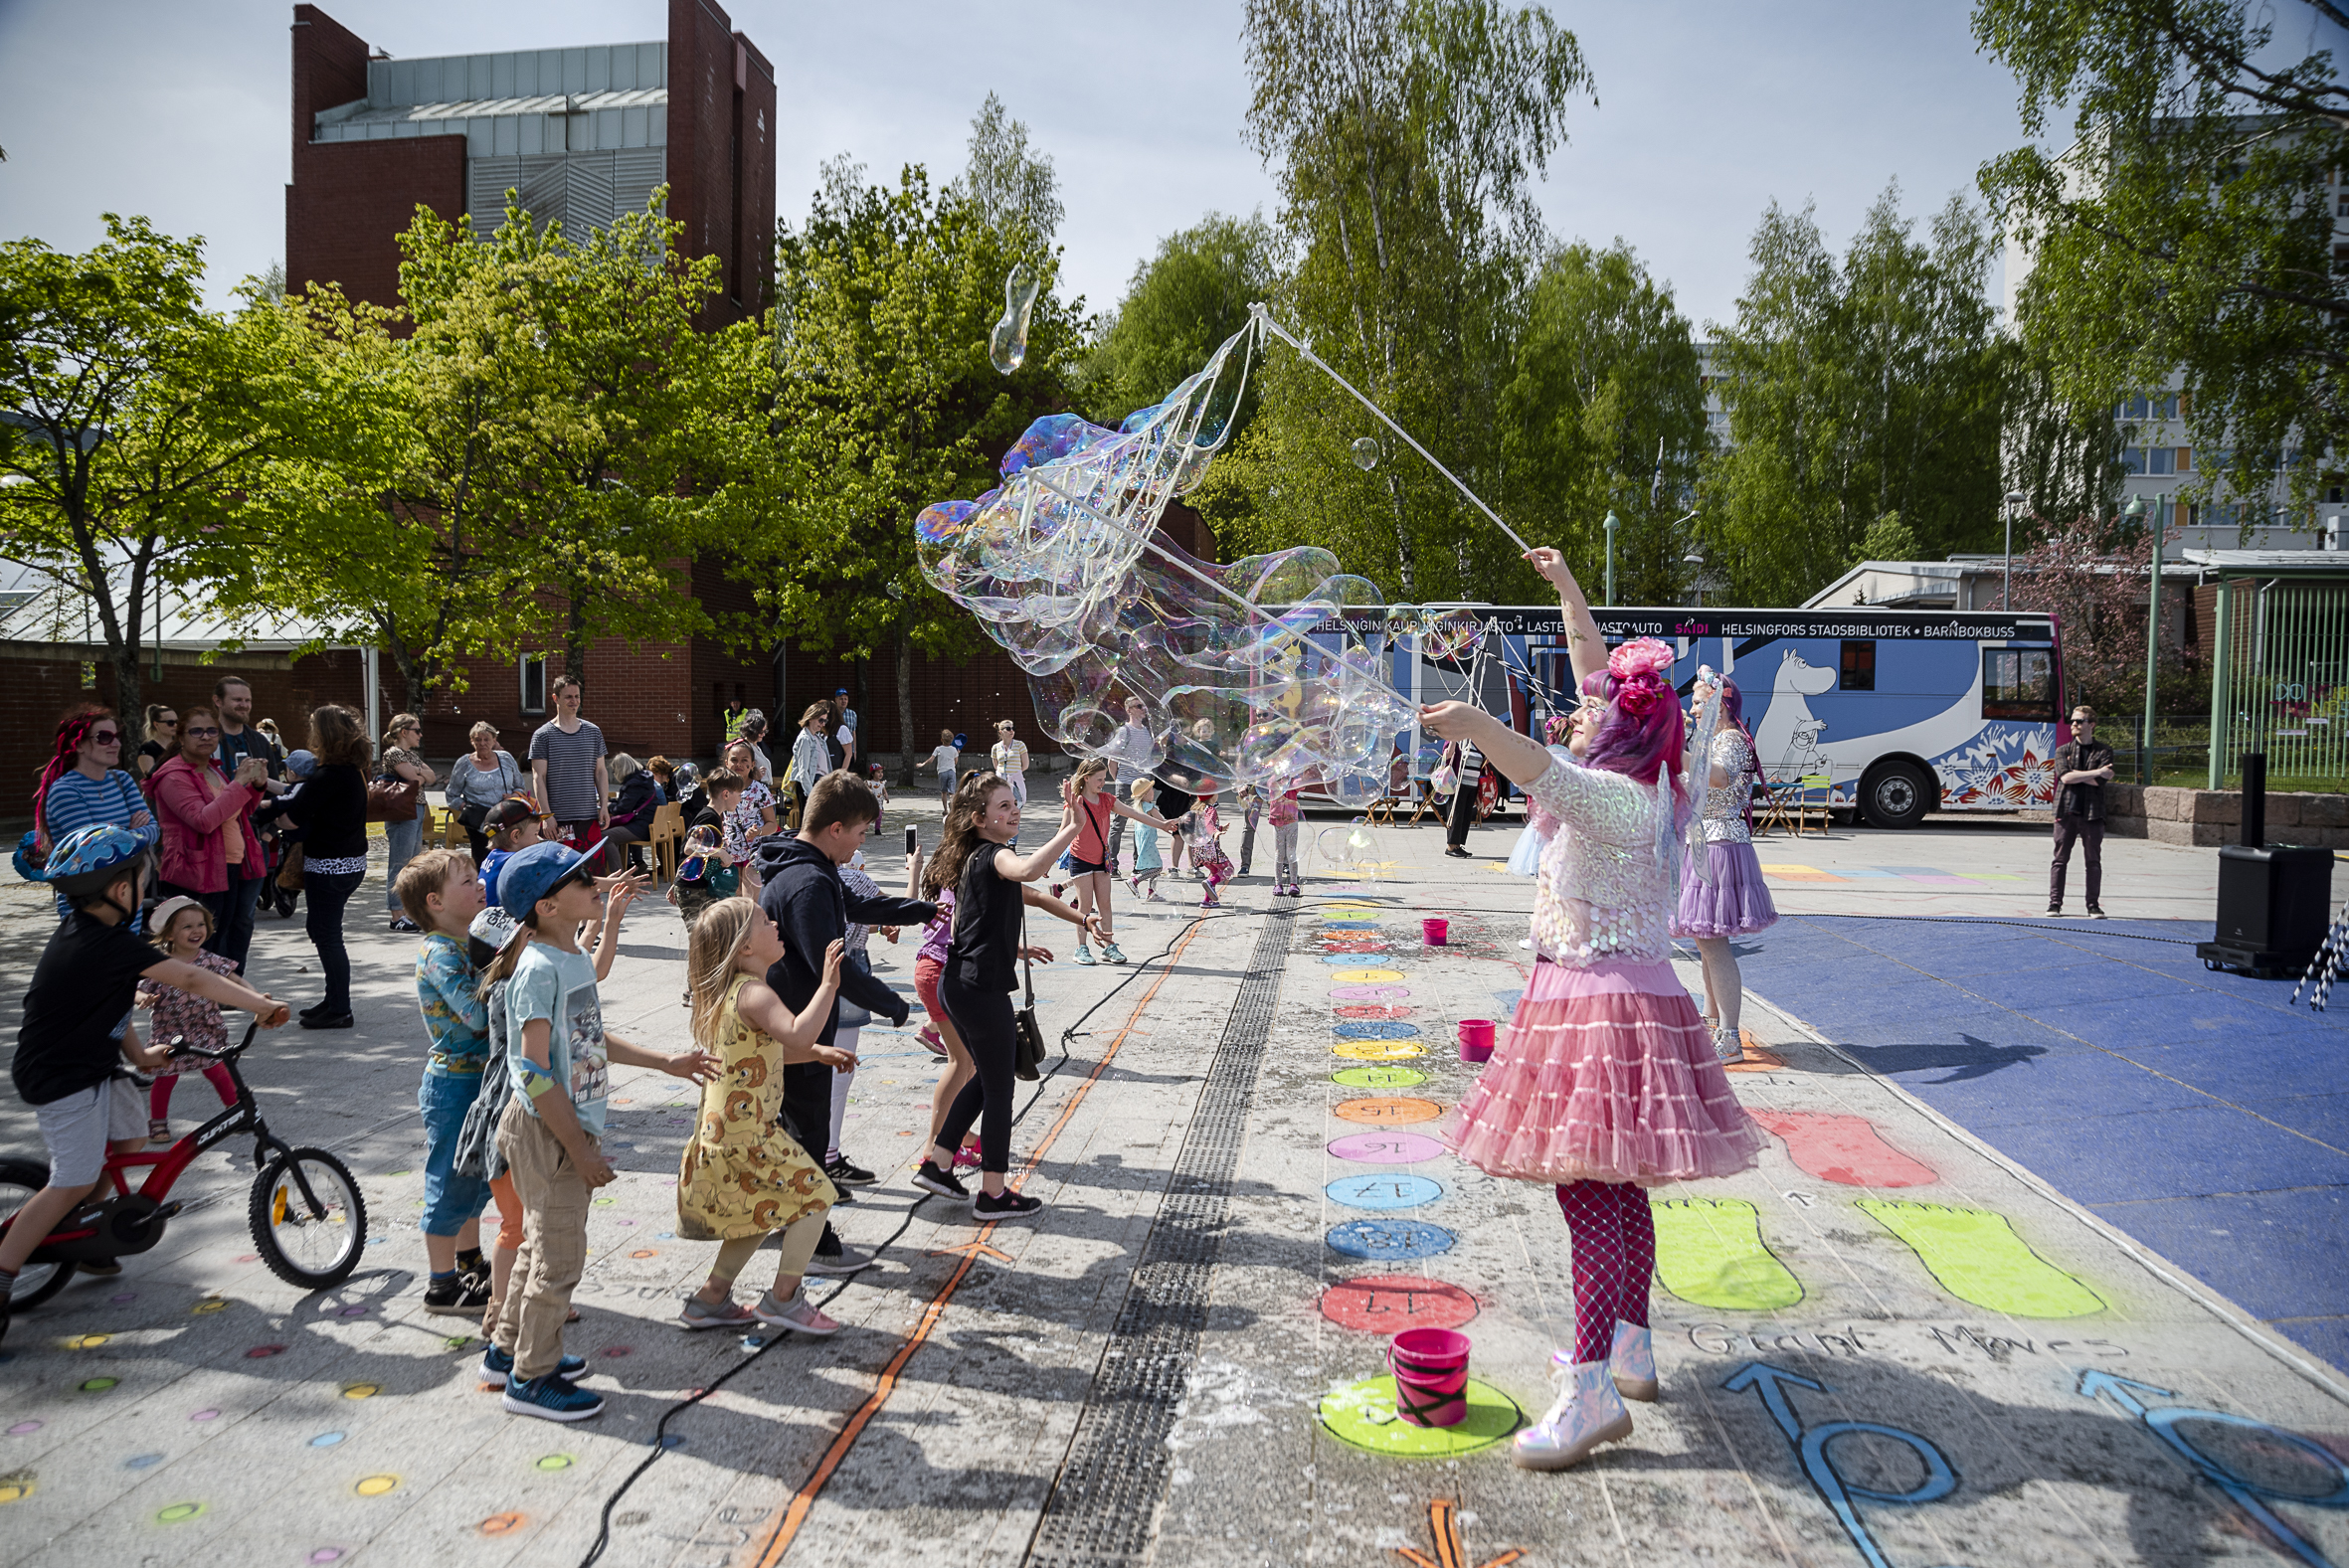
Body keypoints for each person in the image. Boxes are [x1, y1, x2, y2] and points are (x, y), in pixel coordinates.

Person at [1420, 547, 1764, 1472]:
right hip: (1632, 999)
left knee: (1589, 1197)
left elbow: (1537, 766)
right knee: (1622, 1189)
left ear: (1618, 731)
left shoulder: (1613, 798)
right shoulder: (1661, 784)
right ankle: (1633, 1350)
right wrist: (1568, 588)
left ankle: (1591, 1389)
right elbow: (1590, 669)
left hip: (1596, 1007)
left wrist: (1472, 719)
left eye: (1597, 708)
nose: (1583, 708)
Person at [0, 825, 288, 1340]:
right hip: (60, 1076)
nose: (148, 879)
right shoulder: (100, 943)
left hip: (93, 1065)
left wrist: (139, 1054)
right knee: (71, 1177)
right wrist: (261, 1005)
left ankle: (85, 1230)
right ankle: (4, 1273)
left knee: (128, 1137)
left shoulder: (105, 939)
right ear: (119, 889)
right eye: (142, 873)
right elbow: (193, 978)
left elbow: (107, 1009)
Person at [480, 839, 717, 1420]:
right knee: (559, 1258)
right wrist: (579, 1151)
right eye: (580, 878)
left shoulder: (568, 957)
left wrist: (666, 1062)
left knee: (543, 1243)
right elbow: (534, 1074)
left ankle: (509, 1351)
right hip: (547, 1128)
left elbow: (585, 1041)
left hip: (562, 1124)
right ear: (546, 907)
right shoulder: (536, 968)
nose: (595, 881)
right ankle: (531, 1381)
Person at [751, 772, 936, 1271]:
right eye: (859, 833)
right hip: (799, 1027)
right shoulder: (809, 881)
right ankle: (813, 1242)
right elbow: (829, 966)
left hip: (793, 1024)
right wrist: (890, 1003)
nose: (860, 843)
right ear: (836, 828)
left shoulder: (804, 866)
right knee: (806, 1135)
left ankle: (782, 1218)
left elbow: (852, 904)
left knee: (791, 1129)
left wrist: (913, 910)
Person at [674, 901, 856, 1331]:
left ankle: (709, 1299)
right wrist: (829, 985)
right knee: (817, 1197)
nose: (774, 924)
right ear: (743, 948)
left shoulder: (734, 991)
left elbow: (760, 1054)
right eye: (762, 922)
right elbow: (797, 1030)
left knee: (762, 1211)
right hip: (746, 1132)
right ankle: (783, 1299)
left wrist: (815, 1053)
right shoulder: (756, 993)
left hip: (729, 1131)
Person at [917, 772, 1087, 1216]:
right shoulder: (994, 856)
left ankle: (937, 1162)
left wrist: (1076, 923)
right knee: (999, 1090)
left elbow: (1010, 904)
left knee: (986, 1079)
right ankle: (992, 1193)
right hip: (977, 988)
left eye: (1015, 804)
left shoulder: (975, 857)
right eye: (1004, 807)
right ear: (979, 819)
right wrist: (1070, 830)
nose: (1014, 812)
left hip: (961, 983)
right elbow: (1029, 870)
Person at [397, 847, 497, 1317]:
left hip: (481, 1080)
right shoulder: (439, 952)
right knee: (450, 1180)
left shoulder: (470, 940)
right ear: (435, 902)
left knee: (477, 1177)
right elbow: (477, 1015)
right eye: (466, 880)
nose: (478, 884)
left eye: (476, 876)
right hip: (454, 1085)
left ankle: (469, 1259)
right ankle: (441, 1285)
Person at [1669, 671, 1779, 1062]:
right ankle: (1712, 1020)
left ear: (1722, 704)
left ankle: (1729, 1036)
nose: (1693, 708)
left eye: (1699, 701)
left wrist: (1672, 750)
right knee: (1705, 941)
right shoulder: (1714, 739)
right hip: (1705, 844)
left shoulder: (1731, 739)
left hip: (1720, 846)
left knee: (1714, 944)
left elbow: (1717, 778)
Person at [147, 702, 271, 971]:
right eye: (196, 731)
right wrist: (238, 783)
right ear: (180, 737)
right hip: (196, 871)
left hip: (228, 865)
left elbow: (236, 812)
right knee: (198, 946)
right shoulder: (172, 776)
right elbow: (204, 820)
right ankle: (192, 1004)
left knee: (218, 938)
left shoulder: (213, 769)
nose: (205, 736)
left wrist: (257, 786)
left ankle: (214, 998)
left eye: (211, 731)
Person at [283, 705, 372, 1030]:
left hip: (329, 867)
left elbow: (293, 814)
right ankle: (334, 999)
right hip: (349, 863)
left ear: (325, 734)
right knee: (321, 931)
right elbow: (305, 799)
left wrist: (271, 808)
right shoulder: (352, 771)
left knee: (328, 935)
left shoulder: (328, 775)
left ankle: (339, 1008)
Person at [31, 705, 158, 919]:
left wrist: (119, 835)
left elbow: (154, 830)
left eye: (116, 736)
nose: (116, 743)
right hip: (89, 906)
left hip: (129, 899)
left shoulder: (122, 780)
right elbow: (93, 850)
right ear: (77, 744)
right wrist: (131, 832)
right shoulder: (66, 790)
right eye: (104, 737)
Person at [135, 896, 242, 1141]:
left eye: (200, 924)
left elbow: (234, 979)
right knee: (166, 1076)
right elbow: (138, 987)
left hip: (204, 1026)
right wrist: (141, 997)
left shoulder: (209, 960)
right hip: (169, 1030)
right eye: (187, 926)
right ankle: (157, 1123)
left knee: (217, 1069)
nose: (196, 931)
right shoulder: (161, 963)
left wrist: (257, 996)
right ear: (169, 934)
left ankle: (235, 1111)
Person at [1061, 757, 1174, 965]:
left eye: (1104, 779)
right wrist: (1046, 861)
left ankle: (1108, 946)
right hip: (1080, 858)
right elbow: (1063, 833)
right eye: (1099, 779)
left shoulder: (1107, 800)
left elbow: (1135, 813)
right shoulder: (1075, 801)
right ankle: (1081, 948)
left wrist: (1162, 825)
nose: (1103, 783)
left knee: (1105, 904)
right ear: (1086, 778)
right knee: (1085, 905)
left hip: (1102, 859)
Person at [528, 674, 609, 851]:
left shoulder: (593, 732)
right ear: (555, 698)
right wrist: (546, 815)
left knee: (592, 875)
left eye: (577, 696)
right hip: (558, 820)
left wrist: (604, 806)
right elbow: (538, 777)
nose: (574, 701)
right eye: (568, 697)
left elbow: (601, 772)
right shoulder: (542, 735)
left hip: (589, 817)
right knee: (563, 876)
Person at [2051, 705, 2115, 919]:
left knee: (2093, 861)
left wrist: (2080, 774)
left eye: (2079, 721)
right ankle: (2055, 904)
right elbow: (2065, 778)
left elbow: (2100, 783)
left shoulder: (2104, 751)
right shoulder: (2063, 750)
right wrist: (2098, 771)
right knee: (2060, 860)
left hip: (2092, 813)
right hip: (2066, 811)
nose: (2074, 725)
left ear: (2092, 724)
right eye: (2073, 721)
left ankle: (2093, 905)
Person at [381, 714, 438, 934]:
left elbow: (431, 777)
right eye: (416, 730)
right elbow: (414, 779)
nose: (420, 734)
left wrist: (419, 775)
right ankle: (396, 915)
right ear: (403, 732)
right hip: (401, 811)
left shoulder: (410, 755)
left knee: (411, 863)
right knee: (399, 863)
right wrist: (420, 776)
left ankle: (406, 911)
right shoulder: (394, 753)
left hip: (416, 809)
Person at [670, 770, 744, 936]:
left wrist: (676, 882)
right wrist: (721, 853)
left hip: (697, 886)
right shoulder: (709, 817)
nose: (740, 799)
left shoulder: (712, 816)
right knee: (702, 939)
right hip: (693, 889)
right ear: (726, 794)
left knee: (710, 937)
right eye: (739, 794)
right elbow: (690, 848)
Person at [449, 722, 523, 862]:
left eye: (486, 739)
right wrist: (466, 808)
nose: (482, 743)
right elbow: (451, 795)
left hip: (506, 820)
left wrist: (513, 796)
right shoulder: (464, 763)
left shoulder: (506, 758)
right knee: (483, 862)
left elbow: (520, 786)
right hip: (479, 825)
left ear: (494, 740)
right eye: (478, 740)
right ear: (472, 741)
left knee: (507, 859)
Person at [1102, 696, 1156, 875]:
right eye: (1139, 706)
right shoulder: (1125, 731)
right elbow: (1112, 760)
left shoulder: (1147, 731)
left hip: (1144, 785)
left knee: (1141, 824)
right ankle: (1113, 864)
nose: (1143, 709)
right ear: (1129, 710)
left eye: (1144, 706)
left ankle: (1138, 864)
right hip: (1126, 784)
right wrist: (1119, 779)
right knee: (1119, 823)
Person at [721, 740, 780, 899]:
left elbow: (772, 825)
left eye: (744, 760)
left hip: (753, 852)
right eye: (734, 760)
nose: (738, 764)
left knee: (750, 900)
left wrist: (759, 831)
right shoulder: (721, 789)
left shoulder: (759, 790)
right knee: (734, 899)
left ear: (752, 764)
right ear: (726, 763)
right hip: (729, 854)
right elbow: (717, 819)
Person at [602, 754, 663, 875]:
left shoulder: (635, 784)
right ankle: (622, 869)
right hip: (649, 824)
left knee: (606, 837)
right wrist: (611, 803)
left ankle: (618, 877)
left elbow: (622, 809)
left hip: (642, 826)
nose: (614, 774)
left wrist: (607, 806)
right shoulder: (642, 780)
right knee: (611, 833)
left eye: (614, 771)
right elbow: (627, 803)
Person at [477, 797, 544, 909]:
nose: (538, 840)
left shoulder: (494, 856)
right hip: (501, 922)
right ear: (516, 836)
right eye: (535, 834)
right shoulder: (515, 862)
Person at [1175, 790, 1234, 909]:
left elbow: (1199, 828)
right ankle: (1211, 883)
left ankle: (1206, 901)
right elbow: (1208, 825)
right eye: (1216, 793)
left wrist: (1220, 828)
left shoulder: (1197, 810)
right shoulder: (1211, 810)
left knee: (1213, 872)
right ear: (1212, 796)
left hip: (1199, 851)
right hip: (1211, 850)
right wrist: (1216, 831)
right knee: (1229, 869)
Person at [787, 704, 832, 830]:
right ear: (811, 718)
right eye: (820, 720)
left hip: (819, 783)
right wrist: (810, 793)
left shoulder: (818, 738)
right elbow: (803, 770)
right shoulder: (805, 739)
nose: (823, 724)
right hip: (810, 785)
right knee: (809, 823)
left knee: (820, 822)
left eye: (825, 720)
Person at [1442, 736, 1485, 859]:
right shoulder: (1457, 740)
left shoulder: (1475, 743)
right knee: (1456, 814)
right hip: (1458, 785)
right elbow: (1447, 755)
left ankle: (1458, 845)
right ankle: (1451, 847)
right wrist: (1453, 739)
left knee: (1466, 816)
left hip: (1472, 785)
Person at [1125, 778, 1166, 902]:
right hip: (1148, 843)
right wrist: (1179, 820)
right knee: (1157, 868)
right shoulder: (1149, 807)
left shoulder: (1139, 807)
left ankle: (1151, 893)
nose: (1153, 791)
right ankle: (1135, 881)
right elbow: (1163, 822)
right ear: (1146, 794)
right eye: (1151, 789)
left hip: (1143, 842)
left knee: (1155, 867)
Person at [1267, 779, 1304, 897]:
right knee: (1279, 853)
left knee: (1291, 852)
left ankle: (1294, 883)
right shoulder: (1273, 780)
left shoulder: (1293, 781)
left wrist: (1293, 776)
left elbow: (1302, 785)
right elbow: (1271, 784)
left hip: (1291, 820)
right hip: (1277, 821)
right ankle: (1278, 884)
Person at [989, 720, 1031, 808]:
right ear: (1001, 732)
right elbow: (996, 766)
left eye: (1013, 728)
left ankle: (1015, 822)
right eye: (1008, 729)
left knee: (1018, 803)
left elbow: (1025, 765)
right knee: (1002, 805)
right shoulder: (995, 747)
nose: (1012, 731)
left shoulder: (1020, 744)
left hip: (1016, 778)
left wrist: (1014, 772)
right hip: (1001, 780)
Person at [136, 705, 178, 782]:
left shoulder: (181, 746)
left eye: (177, 722)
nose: (175, 725)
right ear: (156, 724)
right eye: (170, 723)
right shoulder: (147, 749)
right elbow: (151, 777)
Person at [926, 730, 960, 806]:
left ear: (941, 740)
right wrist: (957, 754)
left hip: (942, 772)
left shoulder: (938, 748)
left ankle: (945, 810)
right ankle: (952, 806)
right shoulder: (954, 749)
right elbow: (955, 762)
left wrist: (923, 764)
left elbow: (931, 760)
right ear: (951, 740)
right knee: (952, 792)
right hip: (951, 771)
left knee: (944, 792)